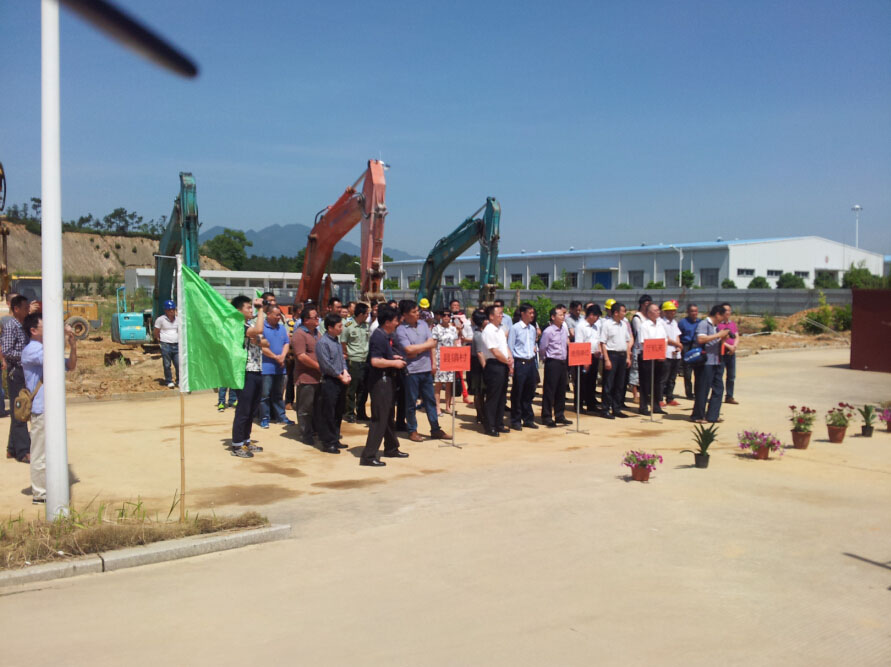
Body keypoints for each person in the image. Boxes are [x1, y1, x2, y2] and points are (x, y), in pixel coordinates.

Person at [20, 314, 77, 504]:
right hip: (41, 408)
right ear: (33, 331)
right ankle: (40, 493)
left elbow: (70, 365)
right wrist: (61, 334)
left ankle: (50, 487)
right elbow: (52, 357)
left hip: (52, 408)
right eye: (45, 326)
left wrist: (73, 346)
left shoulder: (46, 348)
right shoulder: (31, 350)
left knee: (53, 451)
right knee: (39, 453)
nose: (49, 329)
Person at [359, 305, 409, 466]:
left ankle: (391, 448)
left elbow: (382, 356)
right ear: (387, 322)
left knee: (388, 416)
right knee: (379, 418)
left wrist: (392, 357)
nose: (397, 323)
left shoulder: (385, 335)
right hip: (380, 381)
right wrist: (394, 363)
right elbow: (375, 361)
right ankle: (368, 456)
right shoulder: (379, 336)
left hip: (387, 380)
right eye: (395, 320)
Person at [395, 300, 449, 441]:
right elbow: (408, 349)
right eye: (414, 312)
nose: (417, 313)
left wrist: (432, 362)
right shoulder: (401, 330)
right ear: (405, 314)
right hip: (411, 371)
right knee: (411, 402)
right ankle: (412, 430)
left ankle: (435, 429)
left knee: (430, 401)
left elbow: (432, 344)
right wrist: (424, 346)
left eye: (417, 310)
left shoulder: (424, 325)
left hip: (426, 368)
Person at [230, 296, 266, 458]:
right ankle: (237, 444)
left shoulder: (249, 325)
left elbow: (264, 341)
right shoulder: (237, 325)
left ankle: (246, 440)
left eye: (252, 307)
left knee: (252, 409)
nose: (251, 310)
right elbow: (259, 332)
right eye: (248, 308)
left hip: (256, 370)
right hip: (244, 372)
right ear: (239, 311)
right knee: (243, 409)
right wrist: (261, 309)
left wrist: (258, 339)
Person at [315, 313, 351, 454]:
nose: (341, 328)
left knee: (338, 411)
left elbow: (341, 359)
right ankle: (328, 442)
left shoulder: (336, 341)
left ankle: (335, 438)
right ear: (330, 328)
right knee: (328, 412)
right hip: (330, 380)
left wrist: (345, 371)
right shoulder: (323, 343)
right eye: (339, 326)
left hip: (340, 379)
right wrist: (340, 376)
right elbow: (326, 365)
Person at [3, 295, 32, 460]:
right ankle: (23, 451)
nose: (28, 310)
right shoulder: (11, 326)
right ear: (16, 309)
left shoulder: (23, 326)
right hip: (16, 374)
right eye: (25, 307)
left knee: (18, 410)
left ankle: (12, 448)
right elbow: (7, 351)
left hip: (23, 373)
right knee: (20, 410)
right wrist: (25, 356)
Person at [692, 305, 732, 424]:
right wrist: (719, 335)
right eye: (723, 316)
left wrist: (723, 338)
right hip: (705, 362)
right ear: (718, 314)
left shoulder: (716, 327)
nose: (723, 319)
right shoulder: (704, 324)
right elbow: (701, 339)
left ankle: (713, 415)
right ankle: (698, 415)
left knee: (719, 388)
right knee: (703, 389)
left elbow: (716, 341)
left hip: (716, 361)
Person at [258, 306, 293, 428]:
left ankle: (281, 417)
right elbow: (261, 346)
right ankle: (264, 418)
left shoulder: (282, 328)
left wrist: (282, 356)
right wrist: (275, 357)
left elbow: (286, 343)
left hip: (280, 367)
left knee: (278, 394)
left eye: (280, 315)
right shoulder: (261, 328)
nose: (279, 317)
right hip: (266, 367)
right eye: (276, 315)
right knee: (265, 395)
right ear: (268, 314)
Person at [291, 305, 321, 446]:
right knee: (305, 408)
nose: (317, 319)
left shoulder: (317, 333)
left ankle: (314, 430)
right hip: (306, 377)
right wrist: (318, 366)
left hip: (318, 377)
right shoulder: (299, 334)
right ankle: (305, 434)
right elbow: (301, 356)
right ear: (306, 320)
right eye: (315, 317)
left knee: (316, 407)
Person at [481, 304, 512, 436]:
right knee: (493, 397)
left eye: (502, 313)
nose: (501, 316)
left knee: (501, 396)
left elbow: (504, 347)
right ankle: (490, 426)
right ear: (491, 316)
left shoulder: (500, 329)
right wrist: (507, 361)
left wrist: (510, 359)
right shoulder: (488, 330)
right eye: (499, 314)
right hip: (494, 365)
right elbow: (494, 351)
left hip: (503, 364)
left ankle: (499, 424)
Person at [507, 303, 539, 430]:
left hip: (531, 362)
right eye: (530, 313)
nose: (532, 315)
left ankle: (528, 418)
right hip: (520, 362)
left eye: (533, 313)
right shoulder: (515, 328)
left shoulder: (532, 329)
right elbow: (510, 346)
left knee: (529, 391)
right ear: (523, 314)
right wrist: (511, 366)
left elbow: (532, 344)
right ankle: (516, 419)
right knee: (518, 392)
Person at [599, 302, 632, 419]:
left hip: (622, 355)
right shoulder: (607, 324)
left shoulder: (624, 324)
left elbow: (627, 341)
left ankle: (616, 408)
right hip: (611, 355)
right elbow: (603, 343)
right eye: (623, 311)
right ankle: (605, 409)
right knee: (609, 383)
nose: (625, 313)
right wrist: (606, 359)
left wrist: (628, 357)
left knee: (620, 384)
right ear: (616, 312)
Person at [539, 306, 571, 427]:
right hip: (552, 362)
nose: (563, 317)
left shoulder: (564, 329)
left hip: (563, 361)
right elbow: (543, 348)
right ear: (553, 317)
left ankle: (559, 415)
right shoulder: (548, 331)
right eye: (560, 315)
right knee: (550, 390)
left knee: (561, 390)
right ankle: (547, 416)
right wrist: (545, 359)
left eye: (563, 315)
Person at [340, 302, 371, 423]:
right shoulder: (348, 325)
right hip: (354, 361)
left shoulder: (366, 326)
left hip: (365, 360)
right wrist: (347, 354)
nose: (368, 316)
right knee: (352, 389)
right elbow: (343, 342)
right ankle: (349, 413)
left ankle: (361, 412)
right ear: (361, 314)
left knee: (363, 389)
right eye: (367, 313)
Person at [637, 303, 668, 416]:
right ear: (649, 313)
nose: (658, 312)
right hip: (647, 357)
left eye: (658, 310)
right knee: (646, 383)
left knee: (657, 382)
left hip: (659, 357)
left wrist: (662, 354)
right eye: (655, 310)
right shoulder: (644, 325)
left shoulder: (660, 324)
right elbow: (643, 342)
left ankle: (656, 406)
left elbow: (665, 340)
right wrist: (655, 354)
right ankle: (643, 406)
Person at [431, 309, 462, 415]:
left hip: (450, 358)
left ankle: (448, 406)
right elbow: (433, 346)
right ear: (440, 316)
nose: (446, 317)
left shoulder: (453, 329)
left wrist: (456, 359)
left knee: (449, 383)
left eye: (449, 315)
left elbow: (455, 343)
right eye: (444, 315)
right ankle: (437, 407)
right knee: (438, 384)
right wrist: (434, 361)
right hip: (440, 358)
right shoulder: (436, 329)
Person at [575, 304, 603, 413]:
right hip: (584, 356)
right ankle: (579, 405)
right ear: (591, 315)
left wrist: (599, 351)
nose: (597, 319)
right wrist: (584, 360)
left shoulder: (596, 327)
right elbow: (579, 344)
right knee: (582, 382)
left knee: (592, 382)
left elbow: (597, 340)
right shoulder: (581, 326)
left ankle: (591, 404)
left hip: (594, 356)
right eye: (596, 316)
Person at [628, 294, 652, 405]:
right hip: (638, 348)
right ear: (642, 304)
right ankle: (635, 394)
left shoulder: (649, 317)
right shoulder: (637, 318)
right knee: (635, 371)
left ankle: (645, 394)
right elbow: (639, 332)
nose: (648, 306)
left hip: (649, 349)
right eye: (646, 304)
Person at [467, 308, 489, 427]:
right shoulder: (478, 335)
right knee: (479, 391)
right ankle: (480, 415)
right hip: (478, 364)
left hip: (480, 362)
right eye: (485, 319)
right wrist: (486, 368)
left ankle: (482, 414)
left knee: (481, 391)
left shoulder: (482, 333)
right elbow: (480, 353)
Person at [659, 301, 683, 407]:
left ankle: (670, 397)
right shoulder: (661, 323)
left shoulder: (674, 322)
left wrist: (678, 346)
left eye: (673, 311)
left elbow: (677, 335)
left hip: (675, 354)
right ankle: (659, 398)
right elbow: (665, 338)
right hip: (666, 353)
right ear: (665, 312)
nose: (672, 313)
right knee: (663, 378)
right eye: (670, 311)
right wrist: (678, 344)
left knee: (672, 378)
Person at [677, 304, 701, 400]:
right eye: (692, 311)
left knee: (698, 372)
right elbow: (678, 335)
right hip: (686, 346)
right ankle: (689, 393)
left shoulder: (700, 322)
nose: (694, 313)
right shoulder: (682, 323)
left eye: (696, 311)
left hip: (697, 347)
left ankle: (698, 392)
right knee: (687, 372)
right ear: (688, 312)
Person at [153, 299, 179, 388]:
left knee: (178, 364)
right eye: (170, 309)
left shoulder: (178, 320)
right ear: (166, 310)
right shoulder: (160, 320)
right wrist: (158, 339)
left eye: (173, 309)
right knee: (167, 364)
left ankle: (179, 381)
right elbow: (156, 331)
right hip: (166, 344)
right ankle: (169, 381)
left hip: (176, 344)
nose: (172, 311)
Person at [718, 302, 739, 405]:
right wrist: (728, 346)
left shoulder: (732, 324)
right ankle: (718, 396)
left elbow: (737, 336)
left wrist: (734, 347)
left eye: (729, 310)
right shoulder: (718, 324)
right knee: (719, 375)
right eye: (726, 310)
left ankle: (729, 396)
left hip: (731, 352)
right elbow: (718, 338)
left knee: (731, 376)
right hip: (722, 352)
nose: (728, 312)